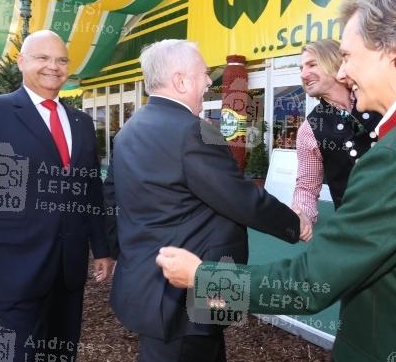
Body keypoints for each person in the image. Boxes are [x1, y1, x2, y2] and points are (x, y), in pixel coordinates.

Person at [156, 0, 396, 362]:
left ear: (392, 50)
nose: (342, 72)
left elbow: (310, 284)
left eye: (346, 57)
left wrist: (203, 278)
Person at [108, 39, 306, 362]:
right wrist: (295, 224)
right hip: (186, 299)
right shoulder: (195, 131)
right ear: (181, 80)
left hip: (146, 288)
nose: (209, 82)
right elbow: (241, 198)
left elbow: (112, 199)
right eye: (203, 74)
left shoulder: (128, 131)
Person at [0, 30, 113, 362]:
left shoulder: (80, 122)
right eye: (43, 58)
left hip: (67, 274)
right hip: (11, 274)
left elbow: (90, 190)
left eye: (61, 60)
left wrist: (103, 248)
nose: (54, 66)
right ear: (22, 61)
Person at [294, 39, 381, 225]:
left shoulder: (379, 97)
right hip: (357, 228)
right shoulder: (309, 129)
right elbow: (306, 188)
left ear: (334, 62)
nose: (303, 74)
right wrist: (302, 214)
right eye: (300, 68)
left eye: (311, 64)